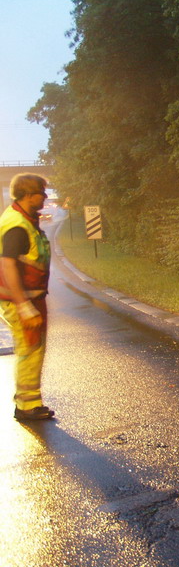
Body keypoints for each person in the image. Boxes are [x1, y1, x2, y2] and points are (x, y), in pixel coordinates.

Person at [0, 174, 54, 420]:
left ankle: (29, 402)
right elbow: (8, 264)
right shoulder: (17, 225)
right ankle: (26, 407)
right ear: (28, 195)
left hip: (29, 298)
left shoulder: (25, 219)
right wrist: (24, 306)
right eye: (41, 193)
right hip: (21, 300)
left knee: (32, 347)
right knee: (30, 347)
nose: (44, 197)